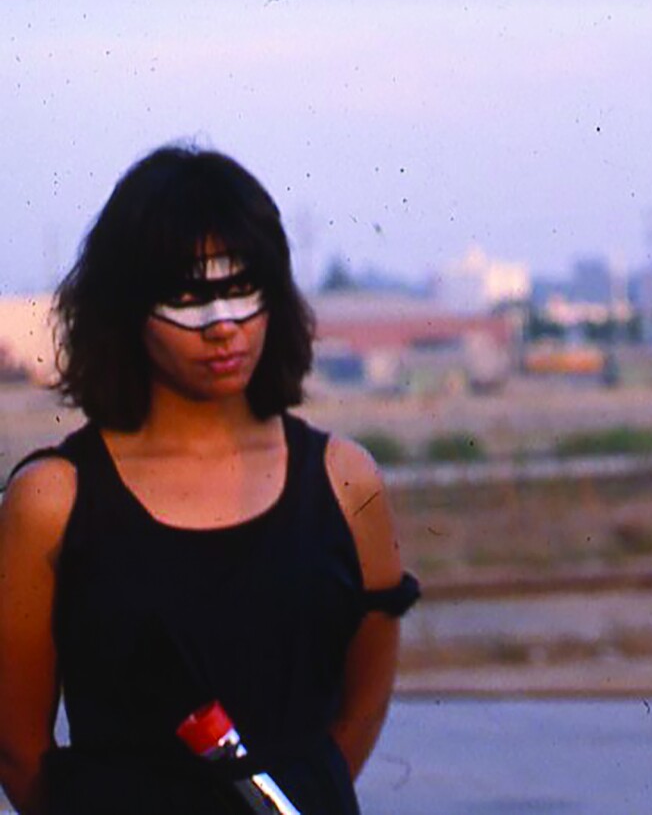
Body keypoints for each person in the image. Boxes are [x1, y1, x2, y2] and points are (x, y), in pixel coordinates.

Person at [0, 145, 419, 815]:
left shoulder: (346, 480)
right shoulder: (51, 500)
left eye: (242, 287)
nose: (222, 324)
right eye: (187, 297)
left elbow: (364, 702)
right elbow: (19, 749)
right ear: (122, 310)